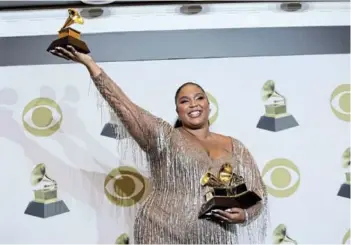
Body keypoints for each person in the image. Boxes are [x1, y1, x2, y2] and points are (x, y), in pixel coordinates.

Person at [51, 46, 268, 244]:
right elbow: (126, 107)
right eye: (184, 101)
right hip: (160, 230)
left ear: (208, 105)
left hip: (215, 235)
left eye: (199, 98)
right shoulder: (163, 136)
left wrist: (245, 214)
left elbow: (257, 191)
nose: (193, 104)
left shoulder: (234, 146)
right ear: (178, 111)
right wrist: (91, 65)